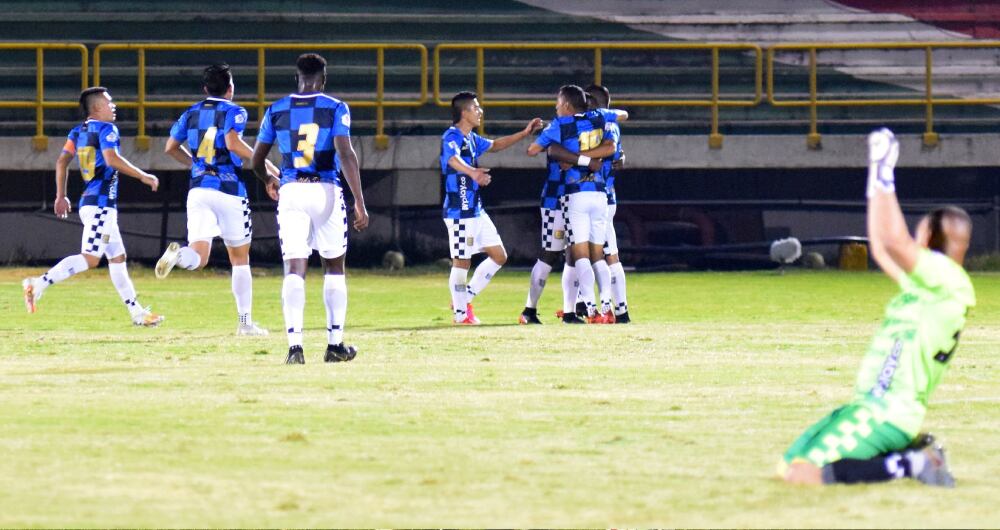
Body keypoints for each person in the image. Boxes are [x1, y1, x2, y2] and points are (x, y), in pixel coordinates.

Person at [781, 128, 975, 488]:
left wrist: (886, 170)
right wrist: (876, 173)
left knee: (802, 476)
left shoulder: (945, 277)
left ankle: (914, 464)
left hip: (885, 412)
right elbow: (883, 248)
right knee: (789, 463)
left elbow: (894, 243)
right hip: (872, 406)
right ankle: (911, 455)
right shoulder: (935, 285)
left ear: (931, 240)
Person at [251, 53, 369, 365]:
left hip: (291, 190)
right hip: (325, 189)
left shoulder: (276, 109)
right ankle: (335, 345)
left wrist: (268, 179)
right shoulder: (335, 107)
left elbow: (255, 159)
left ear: (297, 78)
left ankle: (294, 348)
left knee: (294, 268)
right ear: (324, 79)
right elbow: (346, 153)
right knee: (333, 266)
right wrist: (359, 200)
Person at [157, 63, 281, 336]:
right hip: (229, 190)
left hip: (199, 189)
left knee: (199, 257)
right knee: (239, 259)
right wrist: (270, 168)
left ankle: (179, 257)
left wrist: (195, 165)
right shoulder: (234, 111)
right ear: (230, 89)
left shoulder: (190, 113)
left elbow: (169, 148)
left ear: (204, 89)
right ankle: (245, 323)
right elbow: (233, 143)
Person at [22, 87, 163, 327]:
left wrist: (61, 196)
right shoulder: (107, 129)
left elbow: (61, 161)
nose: (114, 106)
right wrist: (142, 175)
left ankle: (137, 313)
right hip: (100, 205)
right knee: (90, 259)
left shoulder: (77, 132)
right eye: (110, 103)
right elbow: (112, 159)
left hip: (95, 203)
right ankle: (38, 284)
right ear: (97, 108)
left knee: (117, 257)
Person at [441, 91, 541, 324]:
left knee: (499, 256)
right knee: (461, 261)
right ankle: (460, 315)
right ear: (464, 112)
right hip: (459, 211)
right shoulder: (451, 136)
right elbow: (451, 159)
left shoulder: (472, 138)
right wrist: (473, 172)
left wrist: (524, 134)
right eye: (476, 108)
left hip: (476, 210)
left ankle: (464, 298)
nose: (480, 111)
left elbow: (495, 145)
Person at [526, 85, 618, 324]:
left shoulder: (560, 125)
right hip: (555, 199)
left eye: (558, 102)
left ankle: (569, 312)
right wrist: (589, 159)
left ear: (567, 105)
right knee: (551, 254)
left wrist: (579, 158)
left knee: (573, 255)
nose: (555, 107)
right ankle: (529, 310)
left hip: (569, 195)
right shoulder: (589, 121)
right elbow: (622, 117)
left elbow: (534, 149)